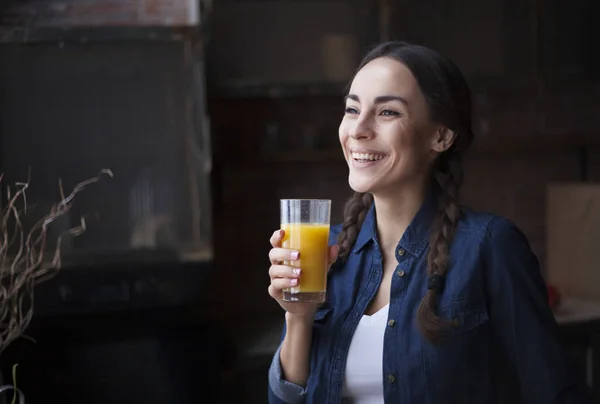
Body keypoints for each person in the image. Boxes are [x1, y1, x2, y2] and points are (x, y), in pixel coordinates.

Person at [266, 41, 593, 404]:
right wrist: (298, 318)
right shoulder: (328, 253)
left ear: (441, 135)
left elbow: (555, 392)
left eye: (387, 112)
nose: (358, 129)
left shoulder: (488, 246)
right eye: (352, 109)